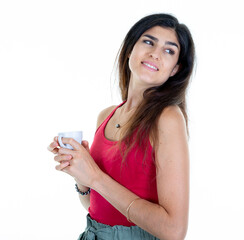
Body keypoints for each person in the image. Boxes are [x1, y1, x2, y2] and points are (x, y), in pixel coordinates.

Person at [47, 13, 195, 240]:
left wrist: (95, 176)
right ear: (129, 50)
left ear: (175, 69)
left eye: (169, 50)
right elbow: (96, 208)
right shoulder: (106, 116)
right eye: (148, 41)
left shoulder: (168, 117)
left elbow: (173, 231)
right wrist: (81, 176)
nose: (155, 53)